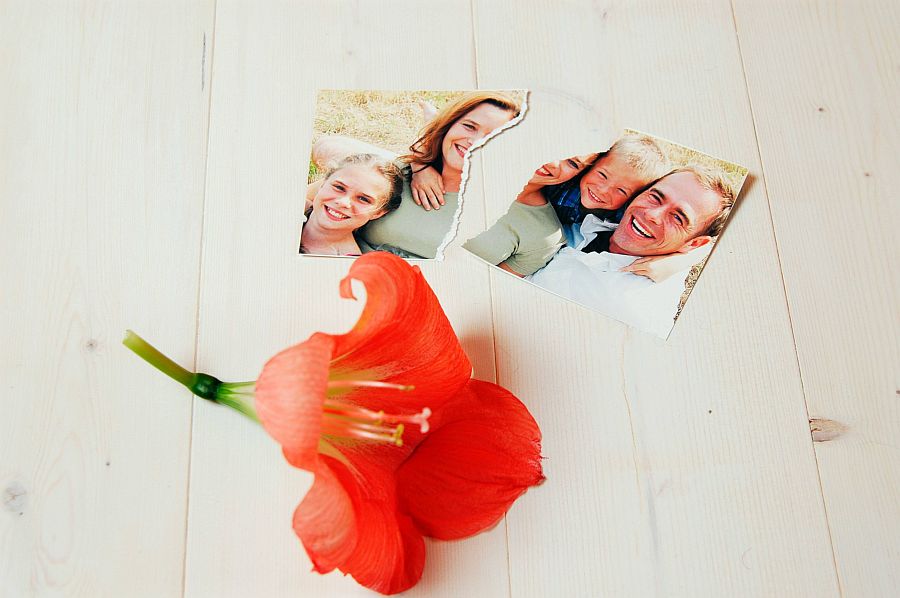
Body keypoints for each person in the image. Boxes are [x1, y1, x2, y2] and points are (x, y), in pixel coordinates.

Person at [528, 167, 735, 338]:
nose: (652, 215)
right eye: (655, 197)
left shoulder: (639, 312)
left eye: (678, 218)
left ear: (694, 243)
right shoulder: (600, 213)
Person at [312, 91, 521, 258]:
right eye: (469, 126)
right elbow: (314, 197)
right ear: (449, 125)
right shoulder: (399, 173)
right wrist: (419, 163)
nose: (474, 142)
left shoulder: (501, 208)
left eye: (492, 137)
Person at [464, 134, 671, 276]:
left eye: (621, 191)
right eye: (602, 175)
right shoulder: (565, 173)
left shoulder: (622, 212)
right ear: (591, 166)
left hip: (545, 238)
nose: (603, 190)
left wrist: (673, 264)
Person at [300, 154, 403, 256]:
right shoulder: (289, 206)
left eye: (363, 199)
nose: (343, 202)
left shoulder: (348, 266)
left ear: (378, 213)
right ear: (323, 183)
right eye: (339, 187)